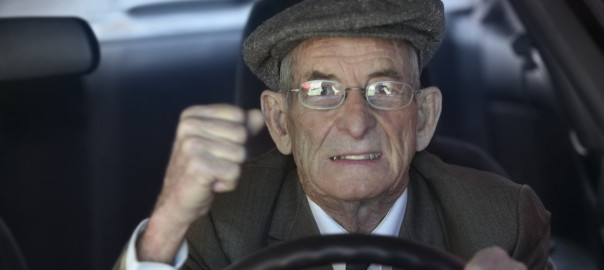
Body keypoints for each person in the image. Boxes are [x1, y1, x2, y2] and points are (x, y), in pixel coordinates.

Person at [114, 0, 554, 269]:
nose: (356, 122)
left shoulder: (504, 223)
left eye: (385, 89)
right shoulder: (217, 224)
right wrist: (163, 232)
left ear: (422, 118)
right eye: (321, 91)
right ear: (281, 122)